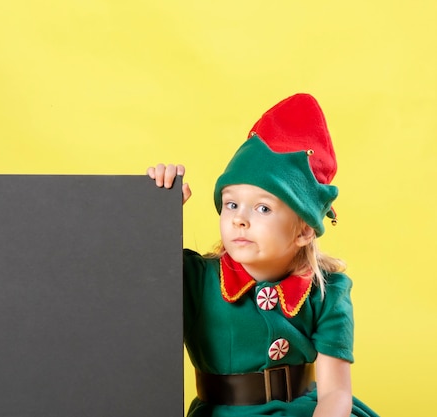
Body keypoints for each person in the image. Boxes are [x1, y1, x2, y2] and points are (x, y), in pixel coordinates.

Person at [148, 94, 379, 417]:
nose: (239, 218)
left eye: (263, 208)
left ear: (304, 231)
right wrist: (156, 207)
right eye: (231, 204)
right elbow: (132, 269)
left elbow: (336, 394)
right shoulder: (196, 278)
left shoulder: (328, 291)